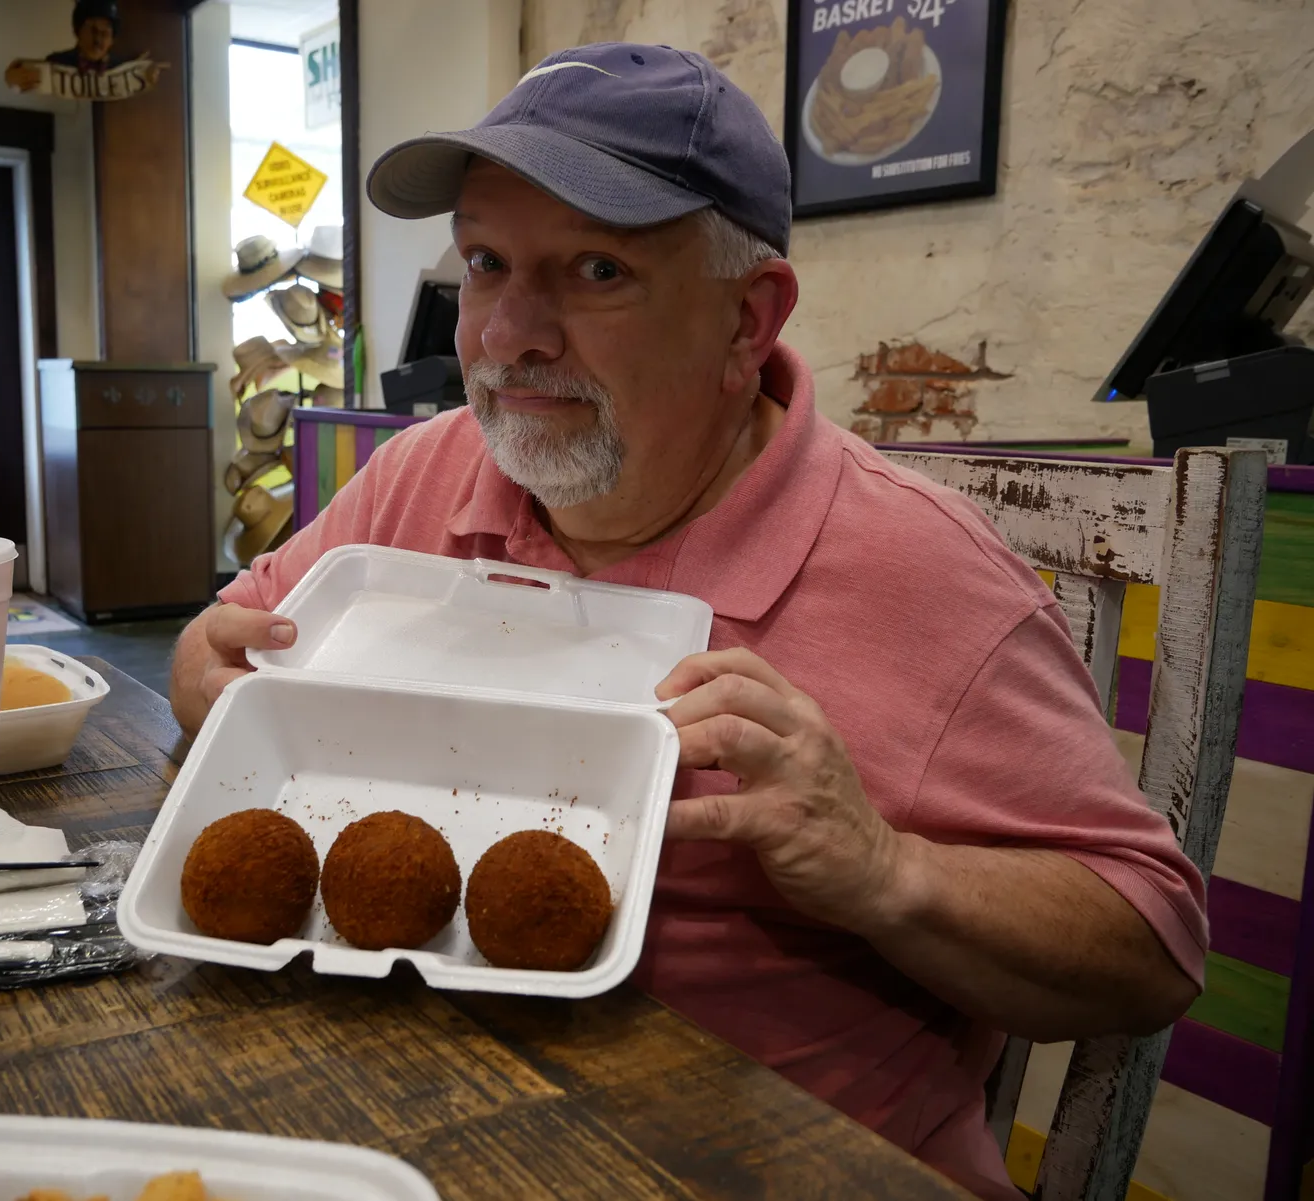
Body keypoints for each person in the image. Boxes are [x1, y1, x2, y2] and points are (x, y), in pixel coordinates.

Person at [170, 43, 1203, 1200]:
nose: (508, 334)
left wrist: (883, 869)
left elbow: (1149, 950)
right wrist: (206, 677)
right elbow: (220, 644)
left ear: (746, 320)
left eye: (597, 270)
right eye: (485, 263)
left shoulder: (922, 573)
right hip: (381, 1109)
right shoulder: (425, 473)